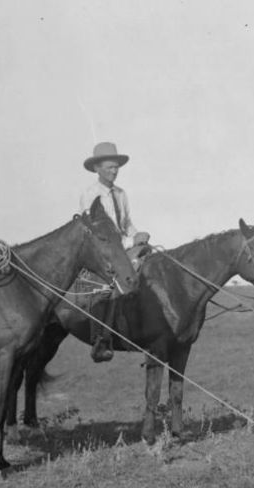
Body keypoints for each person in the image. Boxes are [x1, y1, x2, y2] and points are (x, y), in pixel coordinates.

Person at [80, 142, 144, 362]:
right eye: (109, 167)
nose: (114, 171)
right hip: (103, 252)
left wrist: (139, 235)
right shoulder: (90, 195)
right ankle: (100, 339)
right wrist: (129, 240)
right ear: (97, 168)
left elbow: (127, 223)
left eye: (116, 167)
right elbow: (96, 233)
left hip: (123, 247)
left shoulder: (121, 193)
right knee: (104, 289)